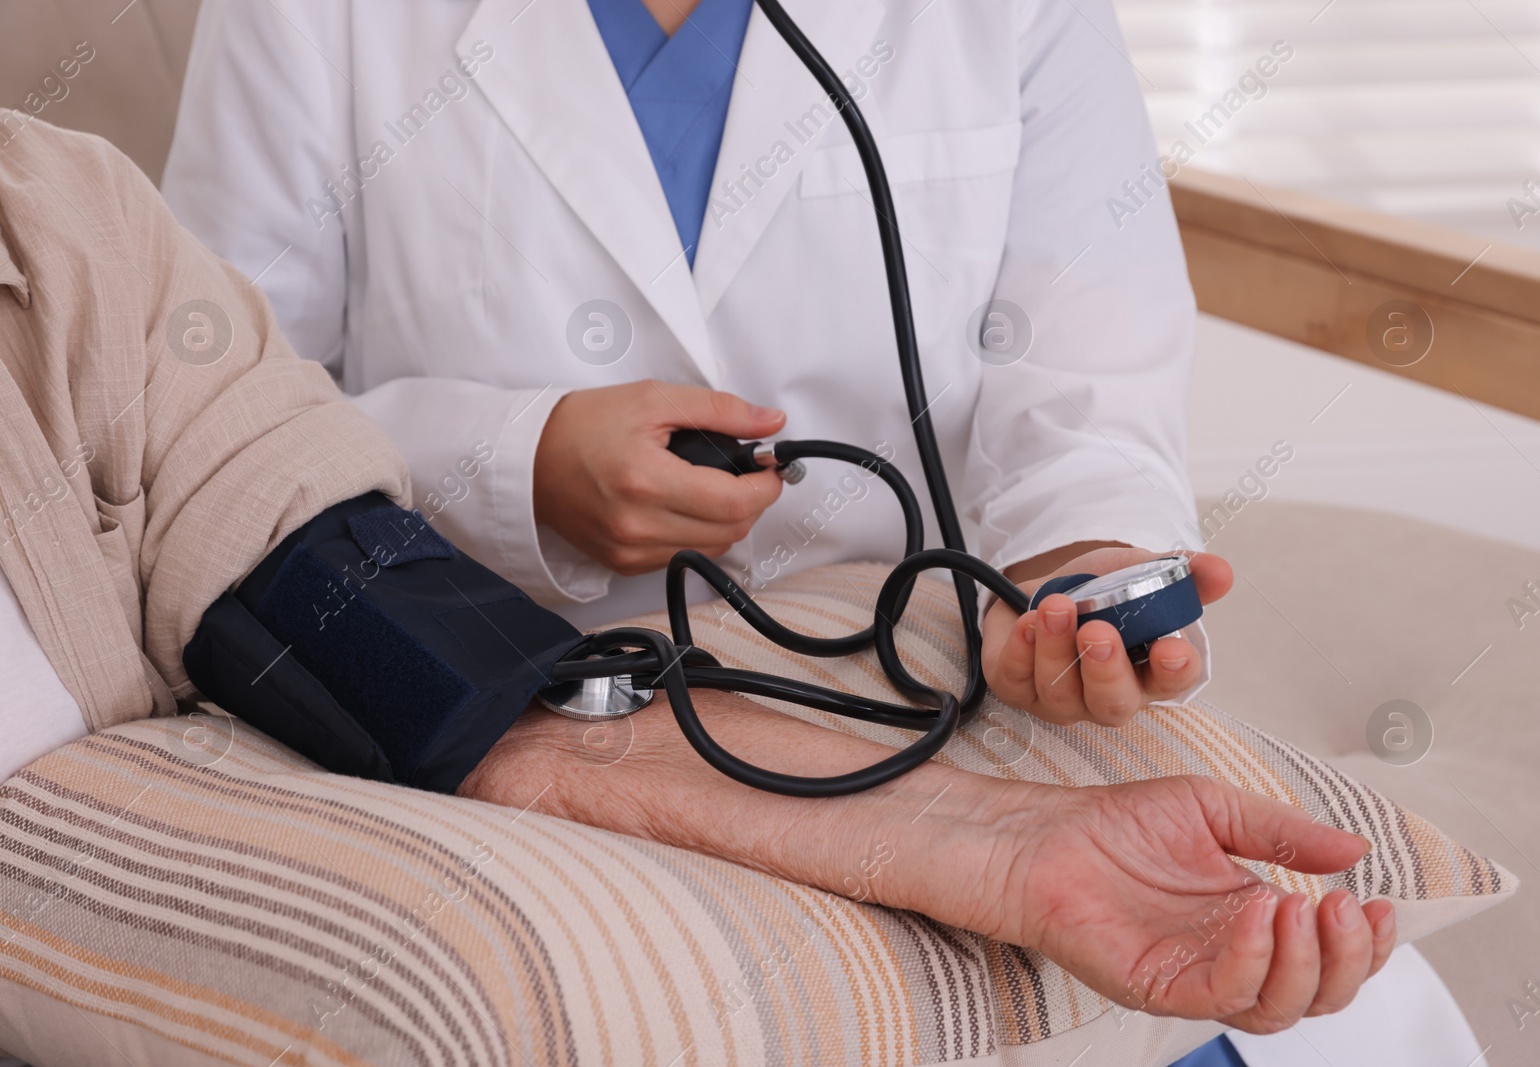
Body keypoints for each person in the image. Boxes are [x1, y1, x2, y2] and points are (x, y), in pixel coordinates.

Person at [0, 115, 1404, 1054]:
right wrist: (520, 455)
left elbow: (373, 610)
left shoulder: (60, 229)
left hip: (762, 661)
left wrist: (1005, 839)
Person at [162, 0, 1222, 734]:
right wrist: (512, 468)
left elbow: (1088, 384)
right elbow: (205, 419)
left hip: (909, 675)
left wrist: (1072, 572)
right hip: (507, 684)